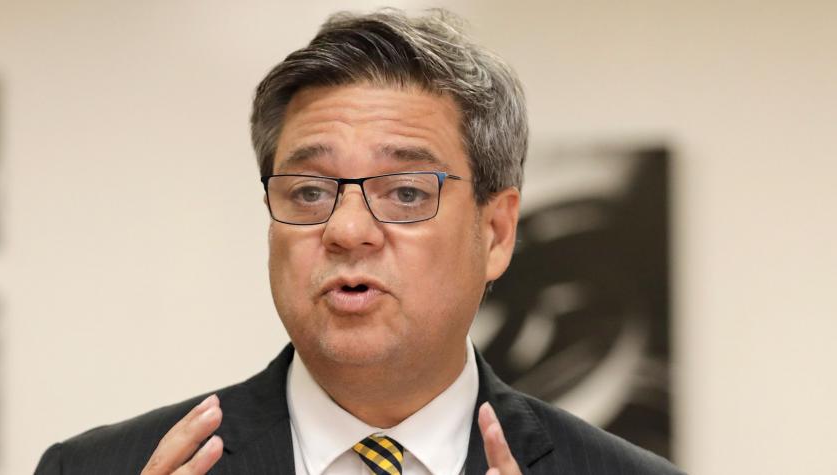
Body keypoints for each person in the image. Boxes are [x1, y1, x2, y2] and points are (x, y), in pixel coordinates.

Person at [35, 9, 683, 475]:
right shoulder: (95, 468)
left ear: (496, 233)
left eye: (406, 193)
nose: (346, 231)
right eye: (308, 192)